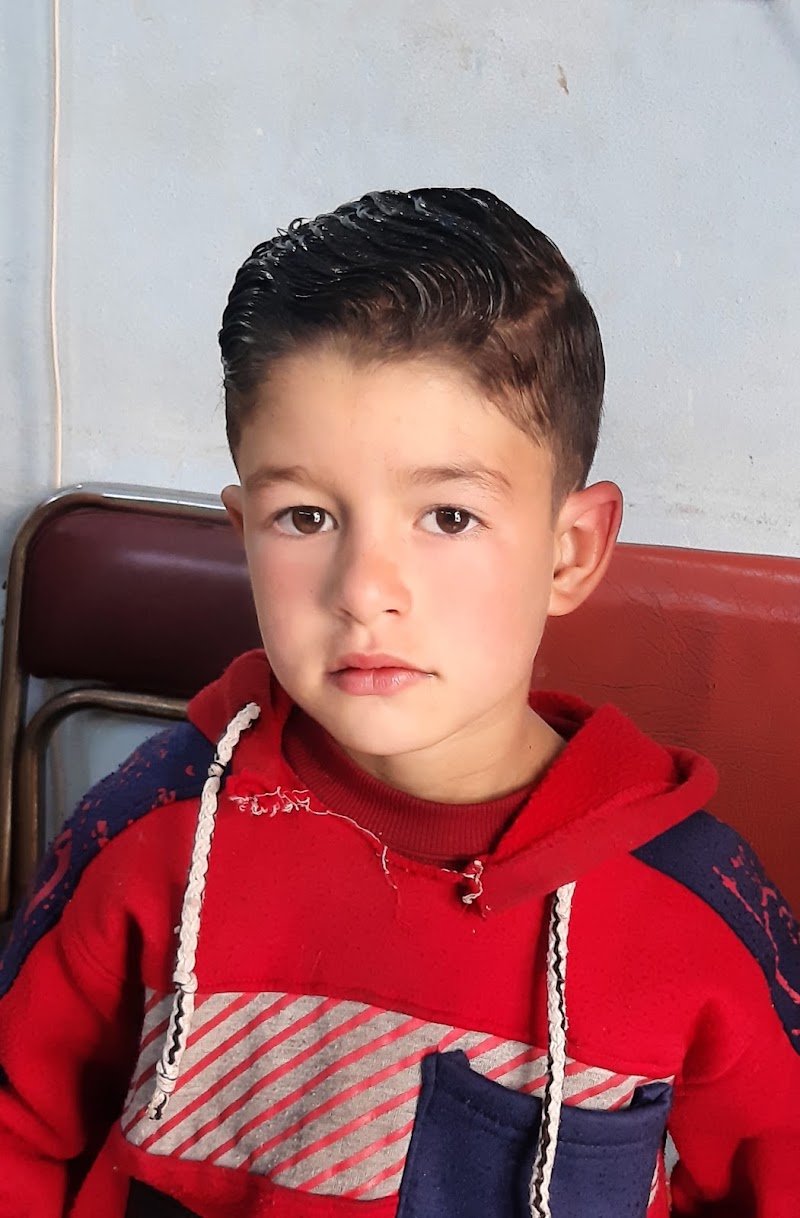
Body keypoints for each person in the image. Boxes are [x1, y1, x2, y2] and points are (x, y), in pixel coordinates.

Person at [0, 188, 798, 1218]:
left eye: (448, 516)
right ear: (241, 534)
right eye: (304, 517)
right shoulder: (150, 825)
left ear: (569, 552)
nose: (364, 589)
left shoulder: (693, 904)